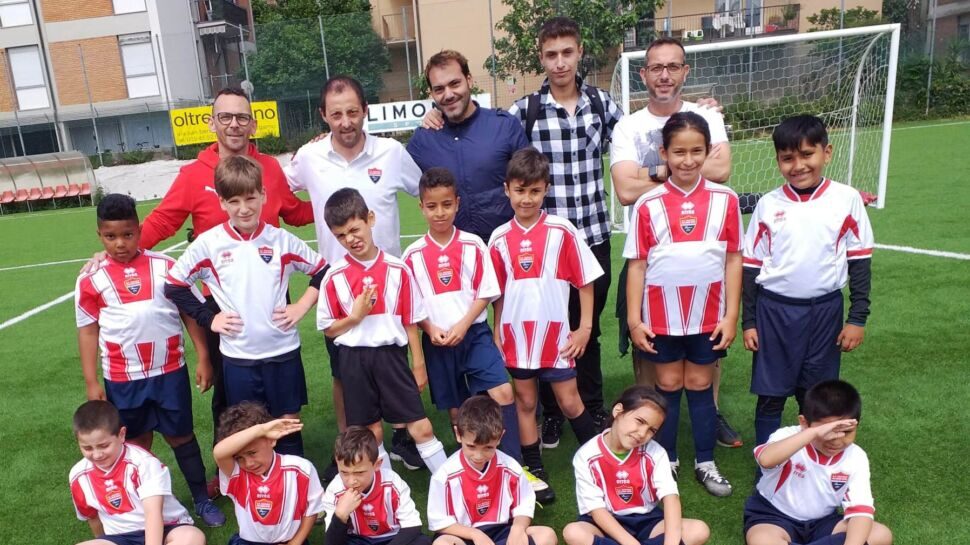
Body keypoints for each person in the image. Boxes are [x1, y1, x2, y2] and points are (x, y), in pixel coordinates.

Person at [83, 88, 315, 474]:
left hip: (271, 291)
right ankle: (232, 469)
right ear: (212, 123)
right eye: (225, 117)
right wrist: (113, 253)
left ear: (253, 123)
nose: (235, 124)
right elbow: (162, 220)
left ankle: (287, 468)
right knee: (228, 394)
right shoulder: (193, 174)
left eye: (242, 117)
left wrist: (332, 200)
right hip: (218, 305)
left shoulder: (270, 169)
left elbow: (293, 212)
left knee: (277, 384)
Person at [285, 75, 423, 472]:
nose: (345, 122)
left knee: (394, 365)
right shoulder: (309, 158)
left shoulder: (392, 152)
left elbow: (426, 192)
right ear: (323, 116)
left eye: (352, 112)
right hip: (339, 287)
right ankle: (350, 446)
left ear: (365, 110)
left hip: (390, 284)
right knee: (345, 372)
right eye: (336, 114)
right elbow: (277, 191)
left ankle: (401, 439)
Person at [609, 37, 740, 450]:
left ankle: (709, 420)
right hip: (649, 257)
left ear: (685, 71)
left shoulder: (706, 116)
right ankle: (647, 429)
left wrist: (652, 172)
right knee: (650, 356)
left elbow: (721, 169)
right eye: (656, 67)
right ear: (644, 73)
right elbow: (625, 190)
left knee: (706, 356)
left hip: (702, 263)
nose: (664, 74)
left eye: (673, 66)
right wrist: (670, 172)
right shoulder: (629, 126)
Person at [504, 17, 624, 444]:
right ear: (541, 57)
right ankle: (552, 412)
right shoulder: (525, 111)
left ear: (579, 52)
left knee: (585, 332)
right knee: (548, 326)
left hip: (591, 236)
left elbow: (636, 144)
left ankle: (590, 405)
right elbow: (490, 145)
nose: (560, 63)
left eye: (567, 53)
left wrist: (696, 112)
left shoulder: (602, 104)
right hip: (547, 249)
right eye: (551, 55)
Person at [75, 193, 225, 526]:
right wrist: (91, 381)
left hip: (170, 372)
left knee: (181, 436)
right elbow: (88, 330)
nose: (119, 243)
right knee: (136, 444)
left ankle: (201, 497)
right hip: (123, 378)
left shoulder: (166, 267)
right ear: (99, 235)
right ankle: (151, 507)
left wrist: (203, 356)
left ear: (139, 231)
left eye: (127, 234)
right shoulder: (91, 278)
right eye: (110, 237)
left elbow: (189, 314)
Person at [165, 156, 327, 458]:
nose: (244, 208)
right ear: (222, 203)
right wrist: (209, 318)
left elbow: (322, 270)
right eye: (234, 201)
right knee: (247, 430)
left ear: (263, 196)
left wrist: (301, 306)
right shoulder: (208, 244)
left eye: (251, 198)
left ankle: (295, 491)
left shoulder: (281, 240)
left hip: (282, 353)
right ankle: (253, 496)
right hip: (239, 358)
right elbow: (174, 285)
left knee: (287, 424)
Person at [622, 113, 741, 498]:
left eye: (696, 152)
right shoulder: (648, 204)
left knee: (700, 384)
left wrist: (732, 314)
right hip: (662, 318)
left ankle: (705, 461)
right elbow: (637, 264)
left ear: (708, 152)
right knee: (669, 384)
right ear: (663, 153)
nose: (687, 160)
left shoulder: (726, 200)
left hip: (708, 316)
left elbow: (734, 259)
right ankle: (667, 460)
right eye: (679, 152)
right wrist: (634, 320)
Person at [742, 115, 874, 447]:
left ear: (826, 153)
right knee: (771, 395)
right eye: (788, 158)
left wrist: (857, 318)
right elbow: (751, 268)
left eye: (807, 154)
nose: (798, 165)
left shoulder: (847, 199)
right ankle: (767, 464)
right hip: (775, 312)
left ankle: (812, 460)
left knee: (816, 394)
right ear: (778, 161)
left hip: (824, 313)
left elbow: (859, 262)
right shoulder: (769, 205)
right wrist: (750, 320)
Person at [488, 148, 604, 503]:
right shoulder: (498, 238)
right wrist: (496, 329)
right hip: (516, 338)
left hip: (556, 338)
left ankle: (598, 458)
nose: (527, 199)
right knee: (525, 402)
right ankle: (534, 469)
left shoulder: (561, 230)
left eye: (535, 191)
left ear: (546, 190)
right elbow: (497, 293)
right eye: (520, 191)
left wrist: (584, 328)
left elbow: (585, 280)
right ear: (507, 190)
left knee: (570, 401)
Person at [316, 188, 448, 475]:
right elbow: (328, 329)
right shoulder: (334, 276)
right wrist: (354, 317)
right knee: (372, 433)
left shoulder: (397, 269)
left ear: (370, 219)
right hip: (354, 360)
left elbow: (410, 320)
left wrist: (418, 362)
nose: (350, 239)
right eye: (341, 235)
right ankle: (388, 493)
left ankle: (451, 485)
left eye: (354, 229)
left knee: (421, 426)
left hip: (391, 357)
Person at [401, 168, 523, 463]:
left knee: (503, 392)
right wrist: (430, 329)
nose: (439, 213)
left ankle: (515, 466)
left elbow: (486, 291)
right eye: (432, 206)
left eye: (446, 205)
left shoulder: (473, 244)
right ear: (421, 207)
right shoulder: (412, 255)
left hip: (474, 334)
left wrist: (464, 323)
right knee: (459, 411)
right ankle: (471, 468)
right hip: (438, 343)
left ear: (457, 203)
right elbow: (412, 307)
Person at [744, 380, 892, 545]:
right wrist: (814, 433)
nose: (836, 439)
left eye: (846, 431)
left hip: (823, 522)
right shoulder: (788, 436)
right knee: (762, 540)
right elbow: (766, 459)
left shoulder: (856, 456)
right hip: (773, 517)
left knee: (881, 534)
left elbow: (861, 511)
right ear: (805, 423)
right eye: (828, 431)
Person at [407, 50, 530, 242]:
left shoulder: (504, 126)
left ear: (469, 80)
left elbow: (531, 182)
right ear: (431, 94)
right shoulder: (422, 141)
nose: (448, 94)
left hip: (506, 250)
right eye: (439, 89)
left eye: (455, 84)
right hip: (455, 260)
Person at [563, 385, 710, 545]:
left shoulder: (655, 452)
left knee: (698, 530)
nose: (642, 433)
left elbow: (670, 498)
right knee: (573, 533)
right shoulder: (586, 455)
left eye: (651, 430)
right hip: (604, 523)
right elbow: (597, 511)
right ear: (618, 411)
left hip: (647, 521)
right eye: (640, 421)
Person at [69, 400, 205, 545]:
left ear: (121, 435)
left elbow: (153, 514)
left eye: (103, 446)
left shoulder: (144, 463)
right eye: (87, 448)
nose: (96, 455)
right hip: (121, 537)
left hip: (167, 527)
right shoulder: (78, 475)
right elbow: (93, 518)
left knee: (191, 537)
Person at [427, 396, 557, 545]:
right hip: (464, 535)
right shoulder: (444, 476)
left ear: (500, 436)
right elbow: (440, 522)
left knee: (546, 535)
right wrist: (475, 534)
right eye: (471, 446)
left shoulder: (510, 467)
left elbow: (524, 506)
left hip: (502, 532)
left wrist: (518, 528)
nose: (478, 456)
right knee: (443, 543)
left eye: (488, 448)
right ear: (458, 434)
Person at [213, 402, 325, 545]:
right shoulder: (237, 473)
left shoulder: (301, 469)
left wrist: (295, 542)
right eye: (239, 458)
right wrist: (261, 430)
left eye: (252, 453)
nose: (248, 463)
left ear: (271, 440)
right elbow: (219, 452)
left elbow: (311, 510)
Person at [322, 427, 432, 545]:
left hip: (392, 538)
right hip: (358, 540)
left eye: (359, 473)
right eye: (344, 472)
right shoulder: (335, 490)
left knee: (422, 541)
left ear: (377, 464)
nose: (351, 481)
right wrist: (340, 515)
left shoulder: (392, 483)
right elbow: (331, 542)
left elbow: (412, 526)